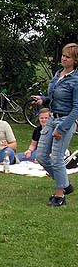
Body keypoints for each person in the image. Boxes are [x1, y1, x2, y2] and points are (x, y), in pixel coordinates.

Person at [32, 43, 78, 207]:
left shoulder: (75, 80)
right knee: (41, 156)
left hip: (64, 121)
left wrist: (62, 128)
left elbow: (76, 108)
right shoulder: (58, 74)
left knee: (57, 158)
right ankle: (65, 184)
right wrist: (43, 100)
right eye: (63, 55)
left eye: (68, 56)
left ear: (75, 60)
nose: (63, 58)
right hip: (51, 118)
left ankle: (60, 196)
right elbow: (52, 98)